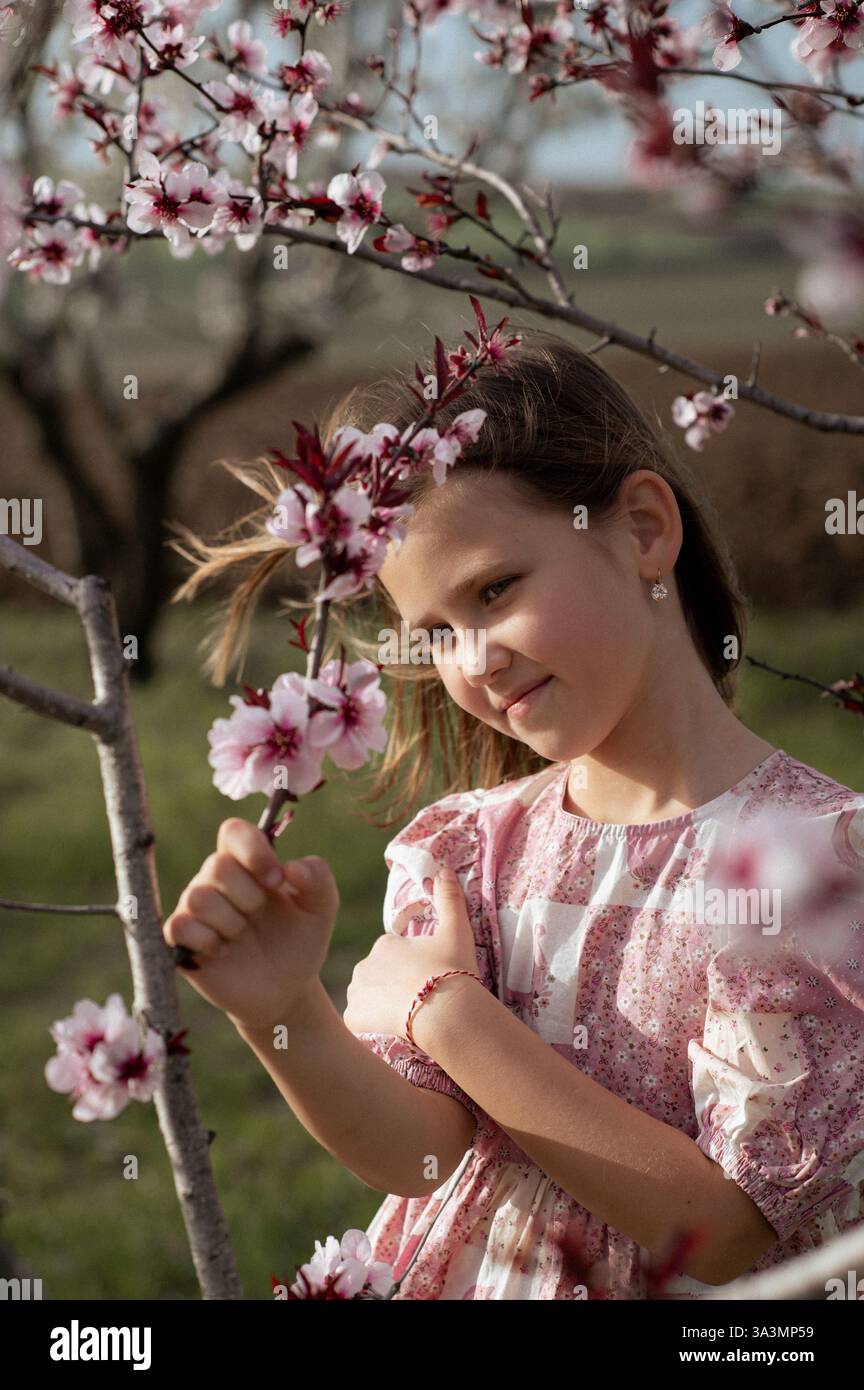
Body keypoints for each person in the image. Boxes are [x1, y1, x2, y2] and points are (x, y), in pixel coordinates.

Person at [163, 329, 864, 1299]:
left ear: (645, 530)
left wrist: (449, 1013)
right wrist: (285, 1012)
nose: (475, 658)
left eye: (496, 589)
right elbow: (421, 1158)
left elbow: (721, 1230)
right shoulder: (473, 850)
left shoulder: (805, 864)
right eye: (438, 632)